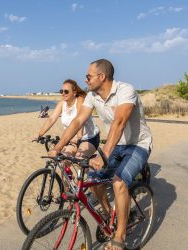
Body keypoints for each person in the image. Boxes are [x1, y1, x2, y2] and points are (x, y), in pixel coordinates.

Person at [49, 59, 153, 250]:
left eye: (88, 76)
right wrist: (58, 147)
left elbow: (119, 124)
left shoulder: (125, 91)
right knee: (94, 179)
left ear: (102, 76)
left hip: (138, 145)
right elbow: (78, 121)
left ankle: (120, 237)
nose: (86, 80)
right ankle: (108, 215)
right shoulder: (92, 96)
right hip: (117, 146)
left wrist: (103, 156)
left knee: (118, 182)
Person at [36, 79, 100, 159]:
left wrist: (78, 137)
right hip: (71, 138)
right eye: (61, 91)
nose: (63, 93)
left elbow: (79, 120)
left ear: (74, 93)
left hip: (89, 138)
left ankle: (90, 169)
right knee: (63, 160)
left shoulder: (80, 100)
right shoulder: (62, 103)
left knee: (79, 159)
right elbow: (51, 119)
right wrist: (39, 135)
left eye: (66, 91)